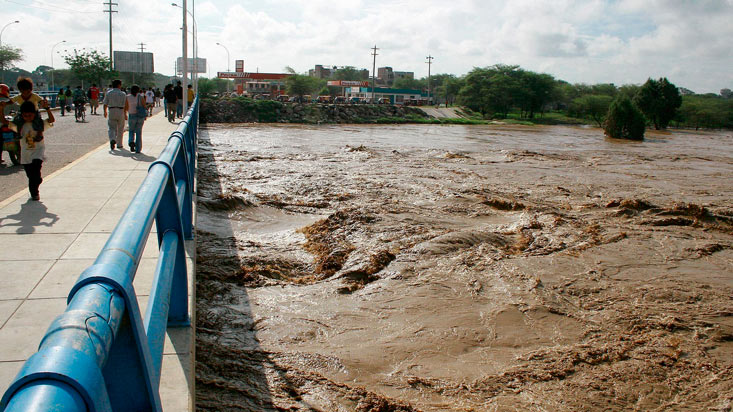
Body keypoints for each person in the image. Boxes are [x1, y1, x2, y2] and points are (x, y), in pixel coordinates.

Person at [0, 100, 54, 200]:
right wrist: (1, 109)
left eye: (30, 115)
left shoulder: (39, 124)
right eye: (25, 116)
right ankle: (34, 191)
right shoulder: (19, 125)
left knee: (36, 171)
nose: (28, 118)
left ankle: (35, 193)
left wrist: (47, 109)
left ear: (34, 114)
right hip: (25, 154)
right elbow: (4, 121)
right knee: (31, 176)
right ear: (22, 115)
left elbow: (51, 120)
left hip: (38, 151)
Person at [102, 79, 127, 150]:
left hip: (112, 110)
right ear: (119, 85)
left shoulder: (109, 93)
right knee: (120, 128)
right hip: (121, 111)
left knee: (111, 127)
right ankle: (119, 144)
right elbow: (125, 105)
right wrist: (125, 114)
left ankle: (112, 139)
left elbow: (105, 103)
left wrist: (105, 111)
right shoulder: (123, 94)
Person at [125, 84, 146, 153]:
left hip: (131, 115)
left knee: (131, 131)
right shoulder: (141, 97)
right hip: (140, 116)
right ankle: (138, 149)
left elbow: (126, 107)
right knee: (138, 132)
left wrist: (125, 114)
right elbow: (144, 106)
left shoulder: (127, 97)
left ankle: (131, 141)